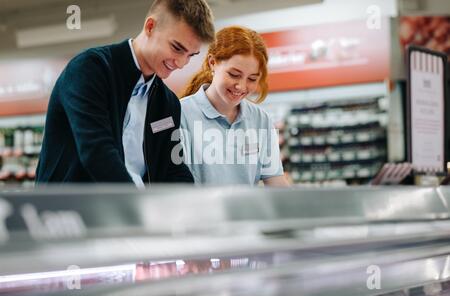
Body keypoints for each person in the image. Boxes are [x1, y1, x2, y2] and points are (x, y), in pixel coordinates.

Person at [35, 0, 215, 188]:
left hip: (128, 211)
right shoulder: (90, 70)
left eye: (190, 55)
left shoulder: (167, 103)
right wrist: (137, 205)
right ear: (150, 27)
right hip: (67, 211)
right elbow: (97, 152)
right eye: (177, 48)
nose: (180, 63)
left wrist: (193, 203)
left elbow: (172, 168)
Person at [180, 26, 289, 186]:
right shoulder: (181, 114)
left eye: (252, 79)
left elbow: (276, 182)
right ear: (212, 63)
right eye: (234, 75)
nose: (241, 86)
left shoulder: (261, 120)